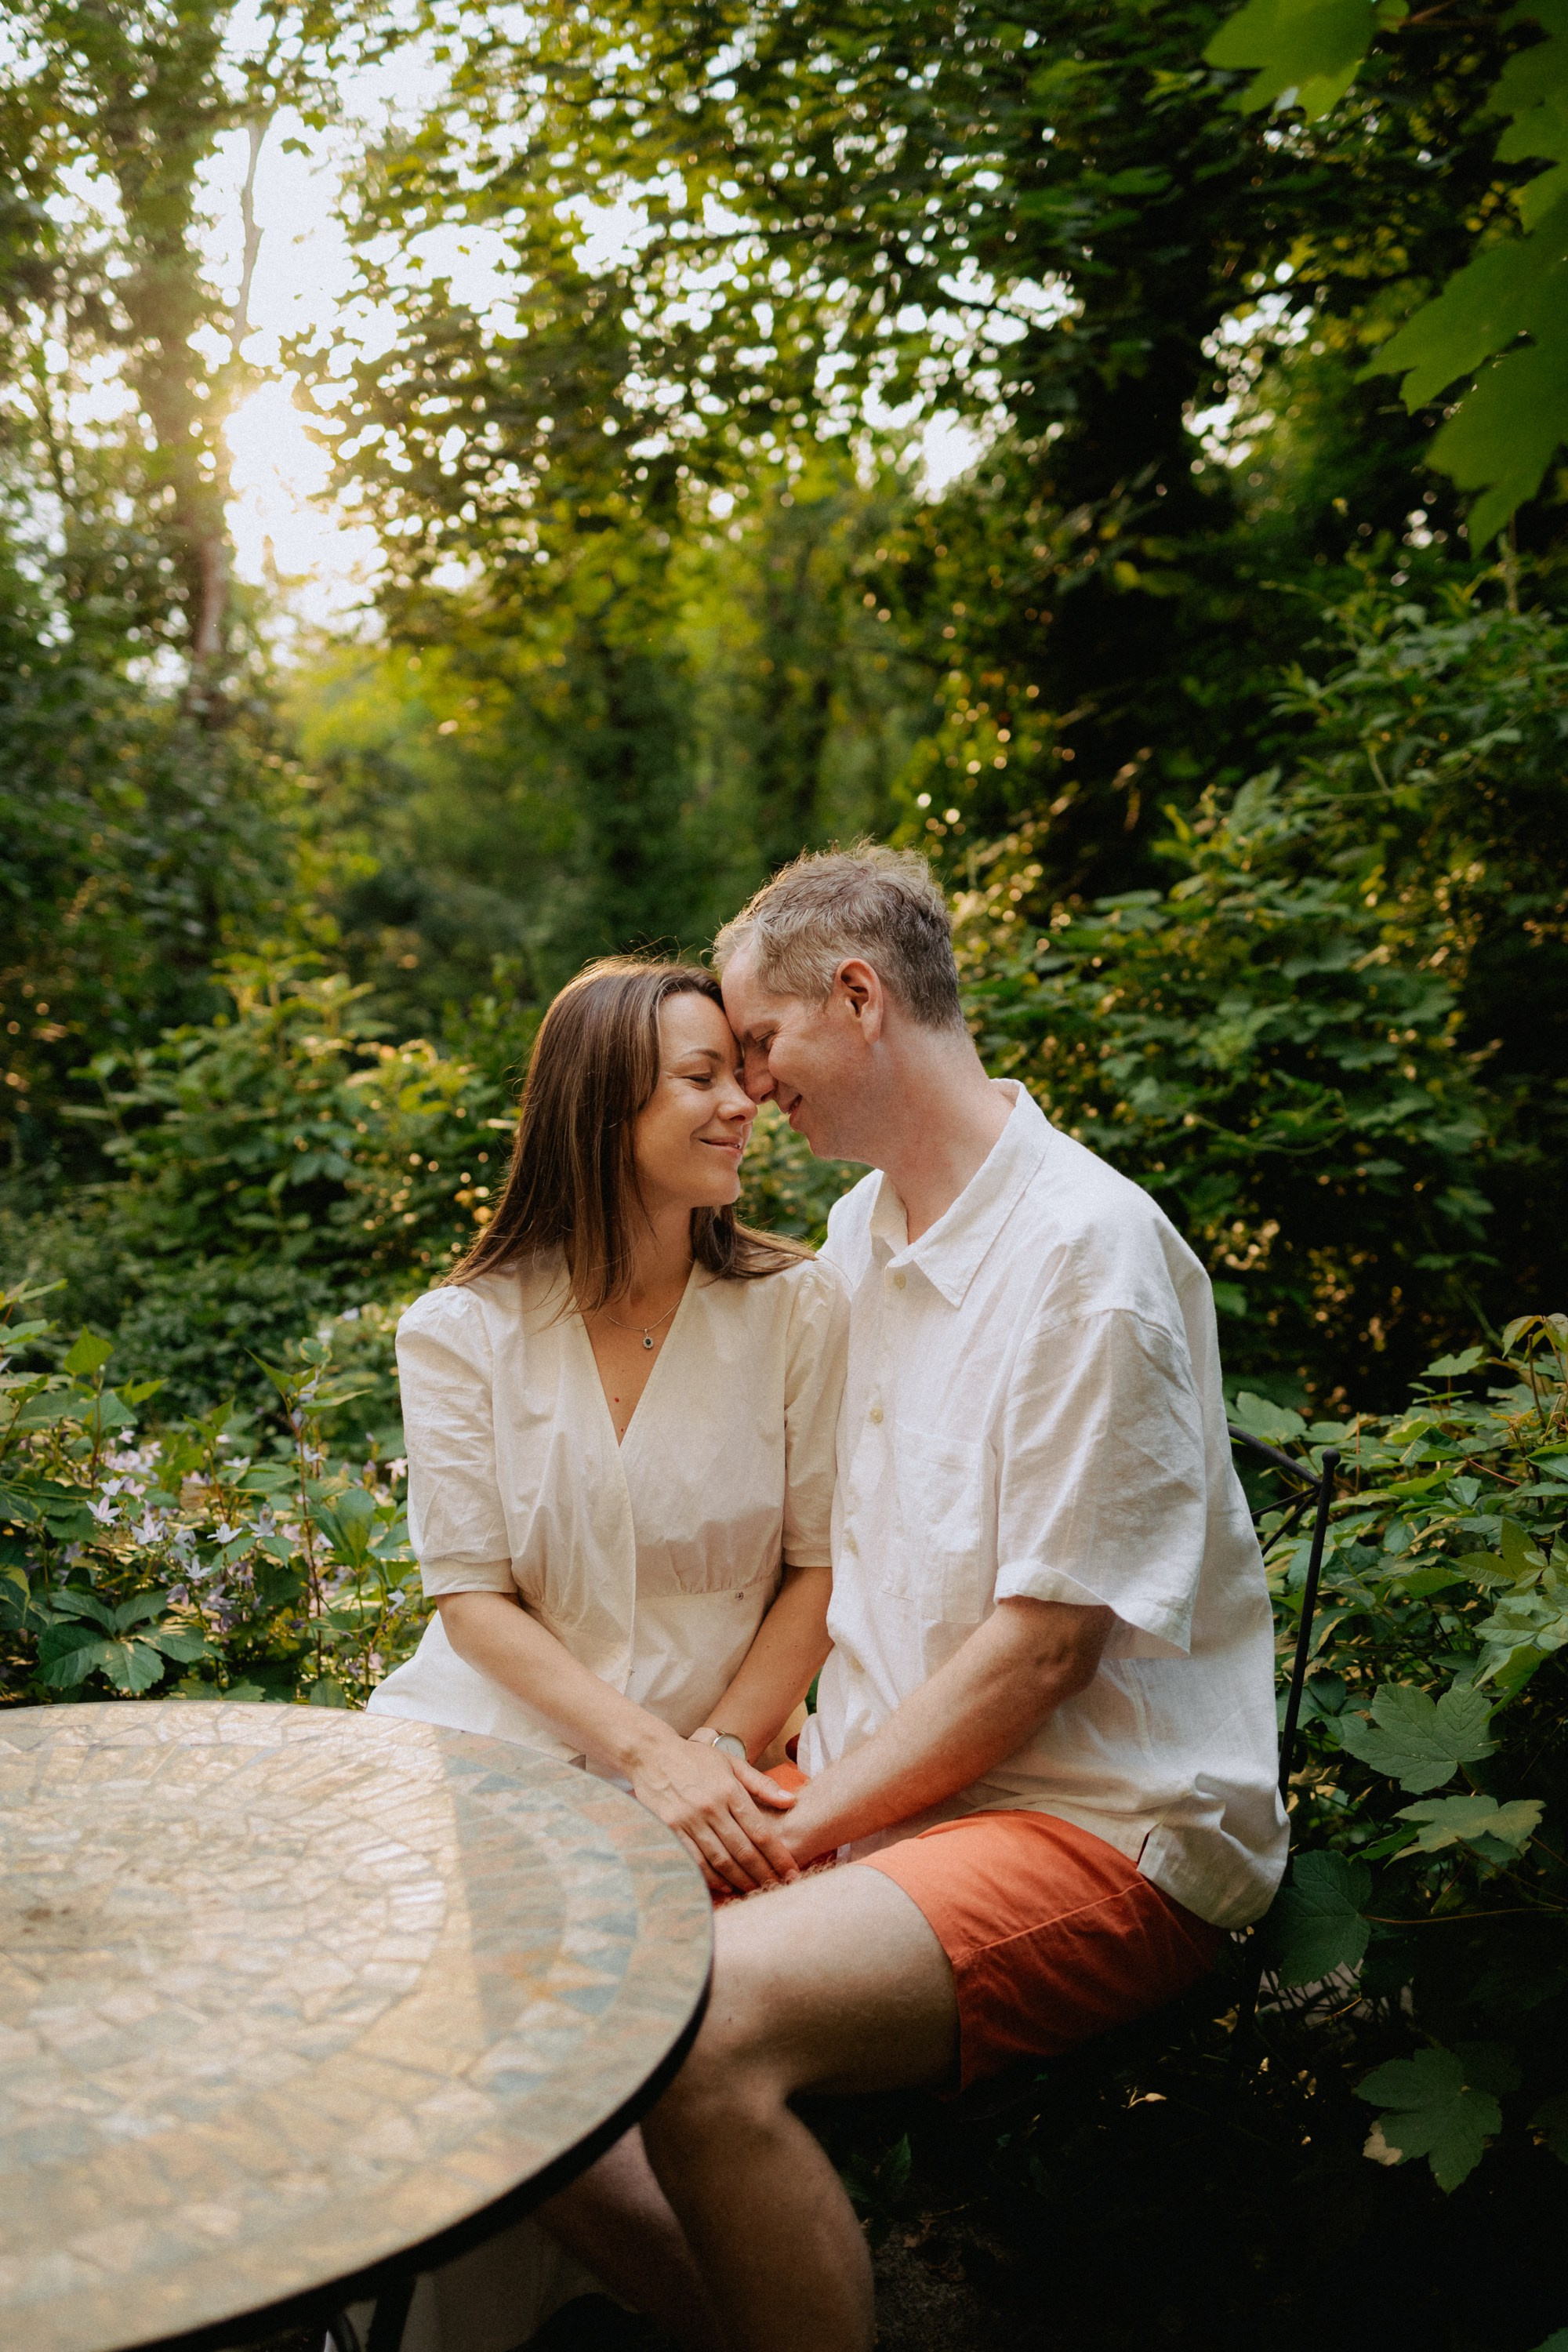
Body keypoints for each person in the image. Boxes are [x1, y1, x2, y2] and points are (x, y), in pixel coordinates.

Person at [613, 846, 1288, 2352]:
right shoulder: (864, 1235)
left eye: (763, 1042)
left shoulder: (1082, 1257)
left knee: (695, 2032)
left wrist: (811, 1819)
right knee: (545, 1972)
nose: (752, 1084)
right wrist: (740, 1757)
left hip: (1103, 1826)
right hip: (887, 1796)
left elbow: (1043, 1654)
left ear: (860, 998)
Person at [366, 956, 847, 2350]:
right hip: (495, 1735)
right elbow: (471, 1599)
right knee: (448, 2012)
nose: (744, 1103)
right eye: (700, 1079)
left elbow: (822, 1565)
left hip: (726, 1745)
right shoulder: (460, 1331)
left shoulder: (796, 1307)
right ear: (598, 1108)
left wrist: (710, 1756)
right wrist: (636, 1756)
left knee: (598, 2034)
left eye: (738, 1074)